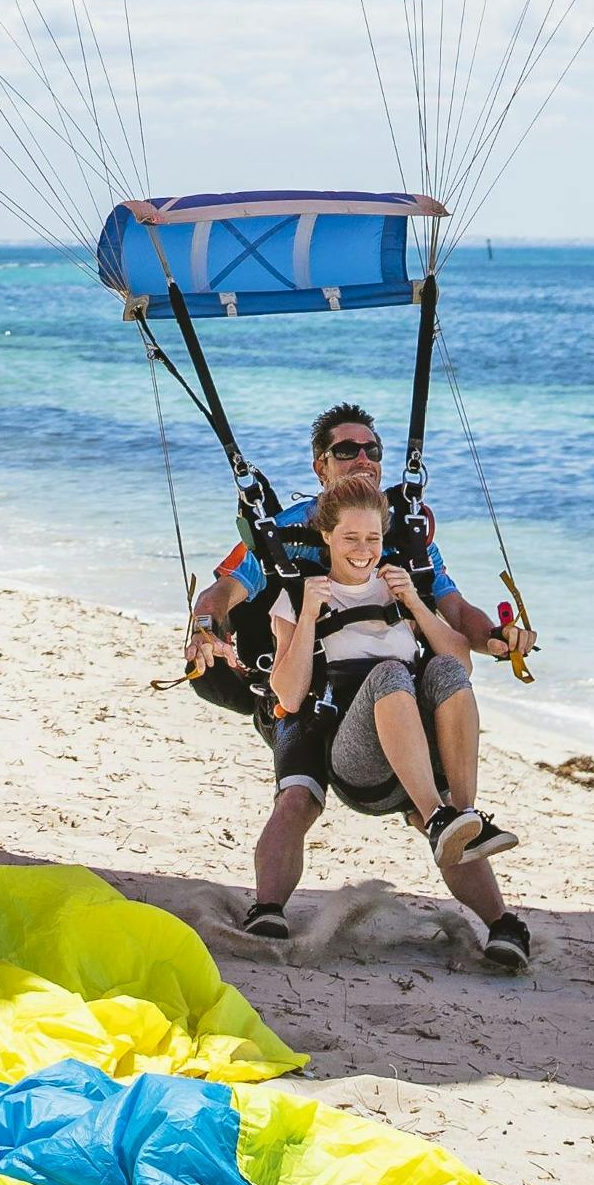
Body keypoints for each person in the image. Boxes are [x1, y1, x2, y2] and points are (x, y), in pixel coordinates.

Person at [246, 482, 529, 967]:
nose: (363, 550)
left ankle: (467, 829)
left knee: (439, 669)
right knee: (390, 673)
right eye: (350, 538)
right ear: (327, 537)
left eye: (373, 538)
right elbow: (289, 695)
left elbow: (460, 665)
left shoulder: (401, 588)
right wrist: (311, 611)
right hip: (357, 760)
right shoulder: (298, 596)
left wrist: (416, 604)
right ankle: (440, 818)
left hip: (412, 751)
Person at [183, 404, 518, 677]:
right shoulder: (285, 534)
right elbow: (223, 592)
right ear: (320, 468)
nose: (363, 460)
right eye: (345, 451)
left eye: (371, 451)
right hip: (307, 673)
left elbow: (456, 610)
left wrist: (494, 639)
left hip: (392, 669)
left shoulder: (407, 534)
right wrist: (204, 628)